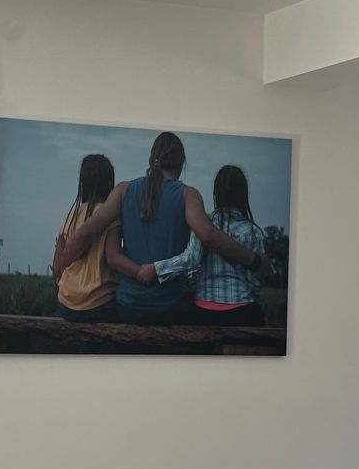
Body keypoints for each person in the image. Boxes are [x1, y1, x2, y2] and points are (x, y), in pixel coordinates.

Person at [61, 131, 261, 324]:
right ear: (181, 164)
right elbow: (208, 234)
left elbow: (86, 232)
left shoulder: (123, 190)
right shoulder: (188, 194)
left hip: (129, 306)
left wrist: (61, 266)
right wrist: (253, 260)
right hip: (170, 307)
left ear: (152, 159)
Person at [139, 163, 267, 325]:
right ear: (243, 193)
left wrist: (156, 268)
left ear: (217, 192)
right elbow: (256, 280)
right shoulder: (253, 231)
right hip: (242, 309)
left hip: (204, 309)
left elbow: (191, 259)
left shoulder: (205, 222)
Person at [47, 153, 118, 321]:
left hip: (66, 305)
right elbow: (113, 258)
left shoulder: (69, 217)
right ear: (109, 183)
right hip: (100, 305)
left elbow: (56, 270)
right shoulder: (111, 216)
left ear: (83, 183)